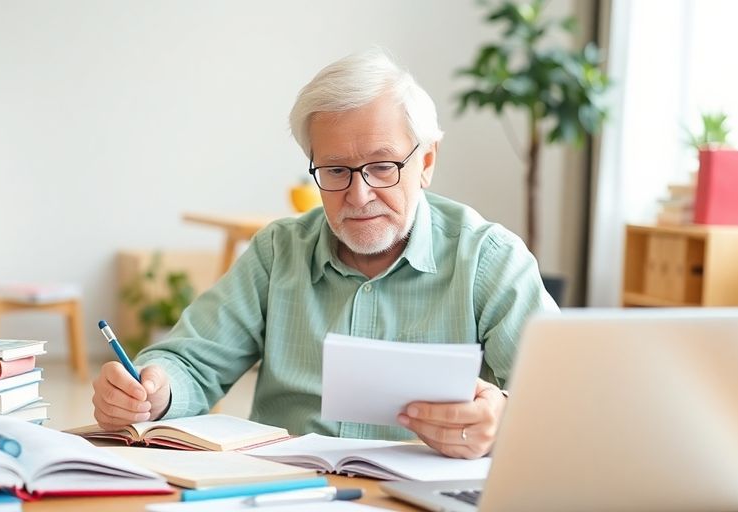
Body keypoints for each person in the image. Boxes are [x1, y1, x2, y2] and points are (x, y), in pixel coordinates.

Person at [92, 48, 556, 460]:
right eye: (335, 170)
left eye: (382, 166)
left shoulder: (488, 259)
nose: (358, 195)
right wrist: (153, 391)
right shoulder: (279, 252)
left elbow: (564, 397)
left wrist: (505, 419)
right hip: (286, 492)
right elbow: (192, 362)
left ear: (427, 162)